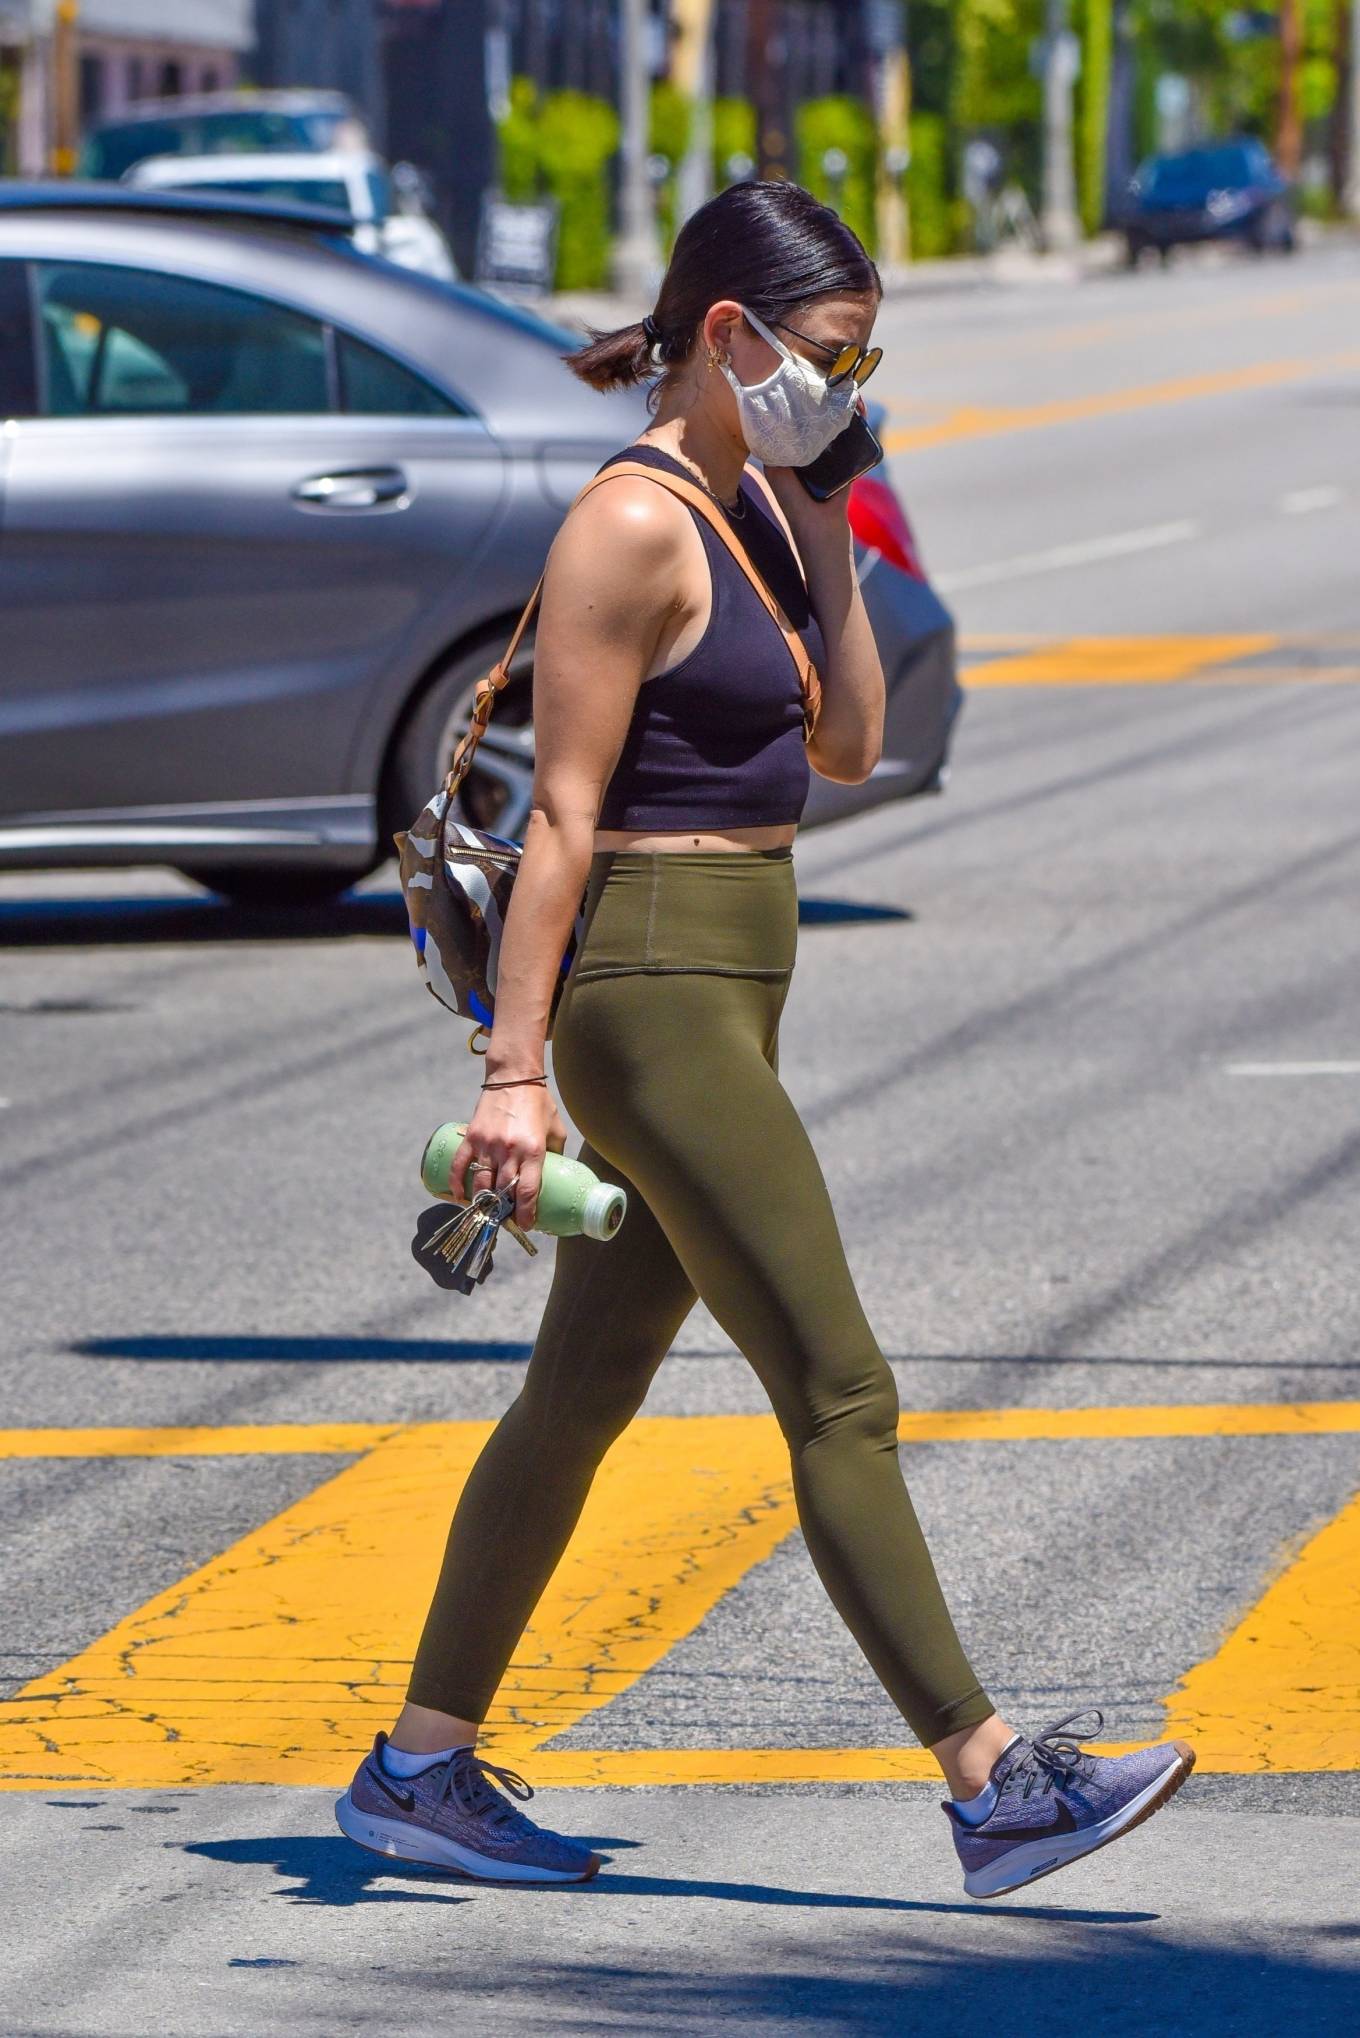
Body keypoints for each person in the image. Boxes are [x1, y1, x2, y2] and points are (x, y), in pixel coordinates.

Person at [336, 180, 1193, 1900]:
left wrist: (821, 511)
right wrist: (514, 1075)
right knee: (841, 1383)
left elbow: (852, 743)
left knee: (573, 1401)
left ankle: (417, 1765)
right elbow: (563, 816)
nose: (851, 380)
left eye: (868, 356)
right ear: (726, 334)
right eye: (827, 351)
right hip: (649, 1002)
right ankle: (988, 1778)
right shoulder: (631, 527)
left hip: (728, 985)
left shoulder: (740, 507)